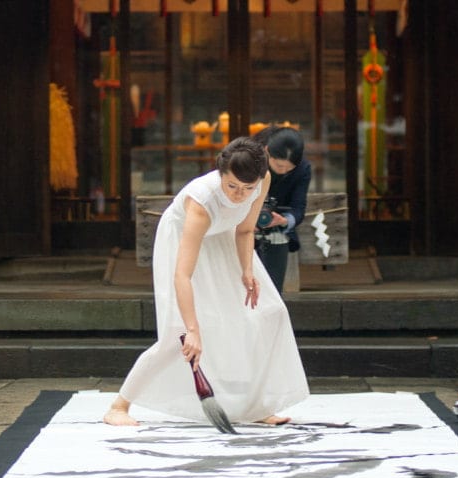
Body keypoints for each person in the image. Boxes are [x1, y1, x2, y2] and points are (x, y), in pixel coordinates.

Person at [104, 137, 309, 427]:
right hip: (184, 239)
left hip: (226, 236)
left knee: (270, 313)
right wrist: (192, 330)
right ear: (221, 175)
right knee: (178, 334)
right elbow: (182, 275)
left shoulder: (262, 178)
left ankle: (257, 406)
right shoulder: (201, 201)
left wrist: (247, 270)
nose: (240, 195)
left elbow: (245, 230)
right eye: (232, 186)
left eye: (247, 189)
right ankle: (119, 405)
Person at [251, 126, 312, 294]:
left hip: (277, 233)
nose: (283, 171)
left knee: (271, 292)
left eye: (289, 168)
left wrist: (285, 220)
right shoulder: (248, 161)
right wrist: (245, 220)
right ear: (267, 151)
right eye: (279, 165)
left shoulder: (302, 169)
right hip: (241, 227)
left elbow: (299, 208)